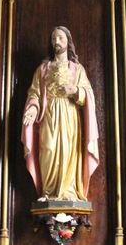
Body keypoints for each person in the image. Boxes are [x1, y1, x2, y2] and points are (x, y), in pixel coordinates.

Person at [22, 26, 99, 202]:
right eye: (54, 39)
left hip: (70, 115)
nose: (56, 42)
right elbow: (34, 92)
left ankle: (69, 191)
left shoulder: (77, 69)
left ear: (68, 42)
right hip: (48, 115)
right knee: (48, 149)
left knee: (69, 151)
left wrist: (75, 90)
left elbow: (89, 94)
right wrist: (33, 108)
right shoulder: (43, 69)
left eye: (60, 38)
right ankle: (48, 192)